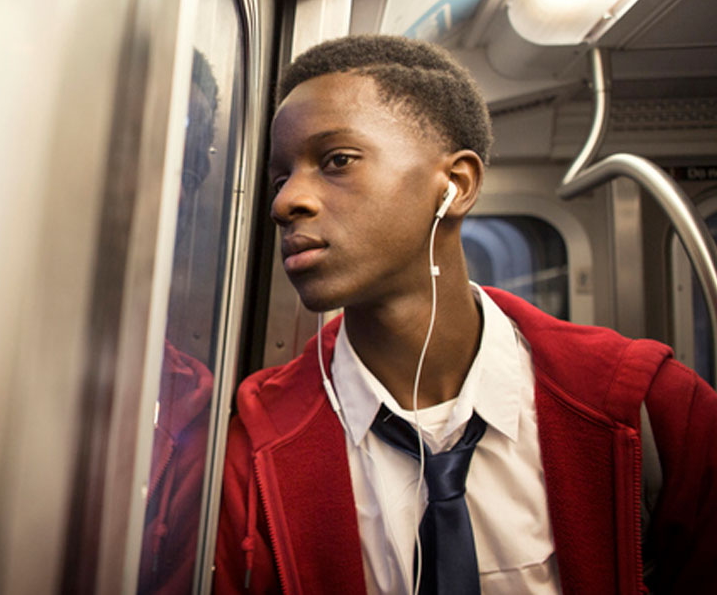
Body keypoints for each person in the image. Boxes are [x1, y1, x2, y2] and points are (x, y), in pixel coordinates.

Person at [214, 34, 717, 594]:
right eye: (280, 178)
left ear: (455, 186)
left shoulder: (653, 411)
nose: (285, 203)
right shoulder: (251, 451)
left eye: (336, 161)